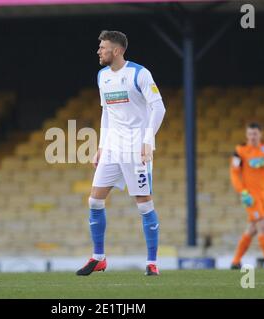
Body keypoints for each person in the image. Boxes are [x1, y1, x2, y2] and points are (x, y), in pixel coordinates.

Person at [76, 30, 166, 276]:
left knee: (144, 204)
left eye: (103, 47)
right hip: (113, 148)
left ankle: (151, 263)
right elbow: (106, 113)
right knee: (94, 200)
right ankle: (99, 257)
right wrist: (102, 146)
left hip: (136, 149)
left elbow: (159, 108)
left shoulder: (139, 73)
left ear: (116, 50)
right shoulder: (102, 76)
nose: (99, 51)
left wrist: (148, 141)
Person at [230, 122, 264, 269]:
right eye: (250, 134)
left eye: (255, 134)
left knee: (252, 228)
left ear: (260, 134)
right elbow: (234, 174)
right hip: (250, 196)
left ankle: (235, 261)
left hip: (263, 194)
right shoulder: (240, 150)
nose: (252, 137)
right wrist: (242, 192)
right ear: (246, 135)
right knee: (262, 225)